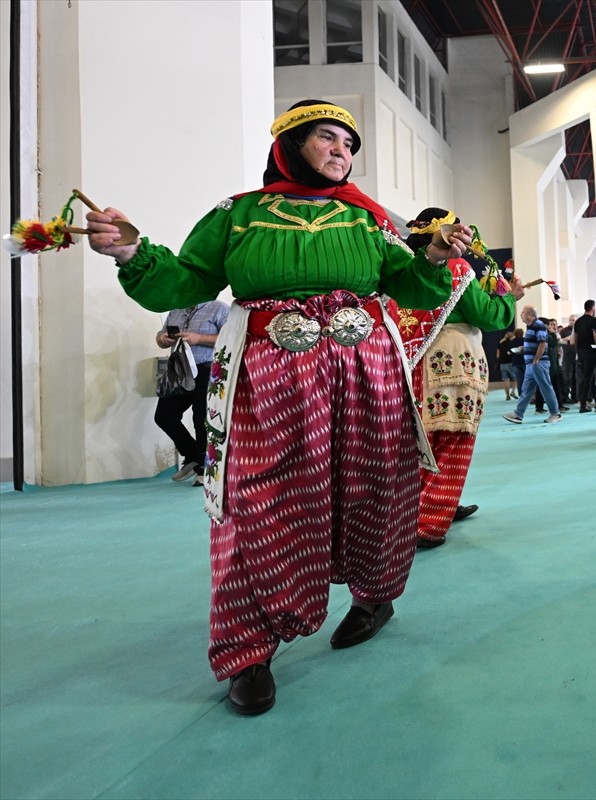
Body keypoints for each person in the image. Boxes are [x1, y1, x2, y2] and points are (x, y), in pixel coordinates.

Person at [85, 100, 471, 716]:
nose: (342, 150)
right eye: (327, 137)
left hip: (366, 368)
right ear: (290, 144)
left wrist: (430, 258)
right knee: (259, 499)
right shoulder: (237, 215)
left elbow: (411, 286)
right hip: (269, 374)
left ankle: (375, 596)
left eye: (349, 142)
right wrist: (133, 251)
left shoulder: (367, 220)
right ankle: (247, 649)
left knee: (378, 483)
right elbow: (184, 282)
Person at [398, 209, 522, 550]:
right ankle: (430, 522)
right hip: (452, 360)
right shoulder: (456, 268)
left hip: (412, 363)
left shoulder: (405, 270)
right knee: (453, 441)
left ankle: (427, 508)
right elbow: (489, 315)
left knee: (423, 443)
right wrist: (509, 296)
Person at [155, 301, 229, 485]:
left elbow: (232, 338)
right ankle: (193, 455)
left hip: (207, 369)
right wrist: (164, 339)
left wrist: (199, 338)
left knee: (201, 418)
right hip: (180, 370)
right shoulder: (176, 309)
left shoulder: (219, 308)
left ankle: (204, 468)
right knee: (164, 416)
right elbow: (159, 339)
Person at [503, 306, 562, 424]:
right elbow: (537, 343)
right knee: (526, 390)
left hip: (538, 363)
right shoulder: (530, 326)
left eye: (523, 312)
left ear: (530, 314)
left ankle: (555, 413)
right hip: (531, 364)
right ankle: (518, 414)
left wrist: (536, 360)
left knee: (545, 387)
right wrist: (524, 348)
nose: (521, 315)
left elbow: (543, 343)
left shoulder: (538, 325)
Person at [573, 300, 596, 412]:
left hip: (581, 351)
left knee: (588, 376)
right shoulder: (593, 320)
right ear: (592, 308)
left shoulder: (578, 321)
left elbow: (575, 338)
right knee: (588, 378)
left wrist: (578, 351)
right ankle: (583, 404)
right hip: (591, 351)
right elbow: (594, 337)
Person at [496, 329, 518, 400]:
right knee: (515, 379)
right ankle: (513, 392)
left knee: (506, 380)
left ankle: (507, 395)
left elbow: (497, 356)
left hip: (502, 364)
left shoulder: (500, 344)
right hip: (511, 363)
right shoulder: (512, 343)